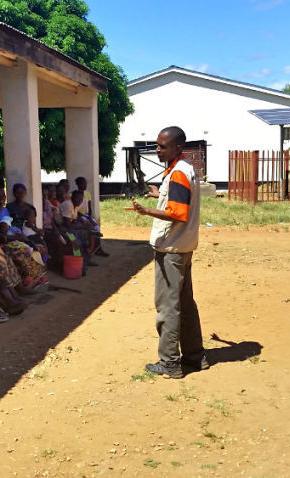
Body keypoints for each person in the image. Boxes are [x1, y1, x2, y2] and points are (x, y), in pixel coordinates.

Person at [132, 126, 207, 379]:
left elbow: (178, 213)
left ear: (177, 147)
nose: (157, 149)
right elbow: (176, 201)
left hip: (172, 248)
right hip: (184, 246)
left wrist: (147, 211)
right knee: (185, 304)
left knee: (168, 307)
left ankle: (170, 363)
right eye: (157, 145)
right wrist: (159, 195)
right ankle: (195, 357)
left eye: (162, 146)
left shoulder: (178, 174)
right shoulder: (184, 169)